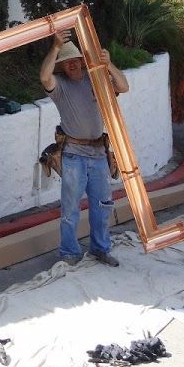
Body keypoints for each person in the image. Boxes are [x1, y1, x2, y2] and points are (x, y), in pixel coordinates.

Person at [40, 29, 129, 267]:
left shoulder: (96, 81)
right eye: (66, 62)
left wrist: (108, 65)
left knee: (102, 206)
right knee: (70, 209)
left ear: (81, 61)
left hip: (99, 154)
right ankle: (69, 252)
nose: (71, 65)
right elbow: (44, 77)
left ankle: (100, 249)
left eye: (74, 60)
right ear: (63, 66)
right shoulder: (60, 87)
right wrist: (56, 47)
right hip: (73, 155)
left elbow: (123, 85)